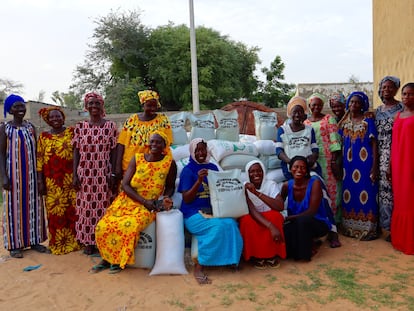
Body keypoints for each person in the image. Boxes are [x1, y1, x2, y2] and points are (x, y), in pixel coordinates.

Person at [92, 132, 177, 273]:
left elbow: (170, 185)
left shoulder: (169, 163)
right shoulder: (137, 158)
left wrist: (166, 197)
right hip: (128, 200)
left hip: (150, 205)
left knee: (130, 225)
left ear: (164, 145)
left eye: (158, 142)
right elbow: (125, 185)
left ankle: (118, 261)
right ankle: (107, 258)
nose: (154, 145)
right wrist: (143, 201)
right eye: (152, 142)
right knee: (103, 225)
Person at [178, 138, 243, 285]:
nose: (201, 153)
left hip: (213, 211)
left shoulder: (213, 167)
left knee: (231, 224)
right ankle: (199, 266)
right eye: (198, 150)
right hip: (192, 214)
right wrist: (199, 181)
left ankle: (231, 261)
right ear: (193, 153)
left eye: (203, 150)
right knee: (218, 227)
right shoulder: (188, 171)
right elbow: (187, 199)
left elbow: (222, 188)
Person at [0, 94, 47, 258]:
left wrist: (41, 178)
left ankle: (34, 241)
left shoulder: (30, 127)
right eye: (16, 107)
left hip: (32, 176)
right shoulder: (5, 128)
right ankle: (14, 245)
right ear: (10, 110)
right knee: (14, 209)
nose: (20, 109)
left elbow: (38, 152)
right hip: (14, 176)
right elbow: (1, 154)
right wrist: (4, 177)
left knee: (34, 207)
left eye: (22, 106)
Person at [72, 92, 118, 255]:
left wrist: (113, 173)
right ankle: (88, 242)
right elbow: (76, 151)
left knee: (104, 207)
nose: (94, 107)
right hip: (85, 172)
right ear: (86, 106)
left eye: (97, 103)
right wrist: (74, 174)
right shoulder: (80, 127)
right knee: (86, 207)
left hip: (103, 172)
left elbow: (114, 151)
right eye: (90, 104)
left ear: (102, 106)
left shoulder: (110, 126)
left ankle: (102, 240)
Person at [37, 107, 80, 255]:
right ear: (47, 120)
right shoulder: (43, 137)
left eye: (58, 117)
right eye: (52, 118)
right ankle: (58, 244)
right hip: (52, 181)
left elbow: (78, 153)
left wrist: (77, 175)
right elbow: (40, 159)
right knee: (55, 212)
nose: (55, 119)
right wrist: (40, 181)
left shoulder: (72, 132)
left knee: (73, 210)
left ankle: (75, 242)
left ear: (63, 118)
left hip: (70, 179)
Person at [275, 156, 333, 261]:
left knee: (303, 221)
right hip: (296, 223)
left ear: (306, 170)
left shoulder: (314, 183)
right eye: (296, 167)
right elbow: (278, 204)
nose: (299, 170)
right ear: (290, 169)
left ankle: (305, 254)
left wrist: (289, 218)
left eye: (302, 167)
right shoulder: (286, 186)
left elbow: (311, 212)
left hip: (317, 223)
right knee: (286, 240)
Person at [338, 91, 379, 241]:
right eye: (351, 102)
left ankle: (368, 230)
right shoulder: (344, 123)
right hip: (348, 168)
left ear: (363, 105)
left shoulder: (368, 122)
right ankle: (349, 229)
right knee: (349, 195)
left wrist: (374, 167)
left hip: (365, 165)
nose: (353, 105)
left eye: (357, 102)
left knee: (367, 194)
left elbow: (374, 145)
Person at [304, 93, 342, 248]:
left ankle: (334, 225)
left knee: (332, 191)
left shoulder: (328, 119)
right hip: (312, 162)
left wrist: (334, 160)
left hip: (327, 160)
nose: (316, 107)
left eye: (319, 104)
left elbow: (335, 139)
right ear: (309, 106)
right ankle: (320, 224)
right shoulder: (305, 122)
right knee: (316, 192)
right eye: (313, 105)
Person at [239, 160, 286, 269]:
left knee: (276, 216)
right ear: (247, 174)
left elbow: (280, 206)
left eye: (259, 171)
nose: (256, 174)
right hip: (253, 217)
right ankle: (256, 256)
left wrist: (257, 193)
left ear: (263, 172)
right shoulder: (244, 187)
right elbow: (252, 211)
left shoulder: (270, 184)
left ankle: (272, 254)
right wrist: (271, 226)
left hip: (268, 215)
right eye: (252, 172)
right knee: (246, 220)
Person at [115, 90, 172, 178]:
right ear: (143, 106)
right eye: (149, 105)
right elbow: (121, 143)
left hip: (154, 165)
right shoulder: (132, 120)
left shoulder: (163, 120)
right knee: (128, 188)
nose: (152, 108)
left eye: (155, 105)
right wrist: (118, 167)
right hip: (130, 164)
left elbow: (167, 144)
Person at [375, 76, 403, 242]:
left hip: (395, 154)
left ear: (396, 89)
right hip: (377, 154)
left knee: (392, 191)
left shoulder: (401, 108)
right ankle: (383, 226)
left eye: (390, 87)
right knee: (380, 192)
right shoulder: (377, 111)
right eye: (384, 87)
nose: (386, 90)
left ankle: (395, 228)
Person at [390, 82, 414, 255]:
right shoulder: (398, 115)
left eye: (411, 94)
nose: (406, 97)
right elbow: (394, 143)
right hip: (398, 164)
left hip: (411, 162)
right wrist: (390, 166)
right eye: (404, 94)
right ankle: (400, 238)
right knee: (401, 200)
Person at [275, 96, 320, 180]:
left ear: (304, 114)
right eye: (294, 112)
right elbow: (279, 151)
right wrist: (290, 162)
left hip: (309, 167)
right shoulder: (283, 130)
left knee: (315, 184)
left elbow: (315, 149)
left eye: (300, 112)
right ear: (290, 114)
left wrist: (313, 157)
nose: (297, 115)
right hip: (291, 169)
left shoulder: (309, 129)